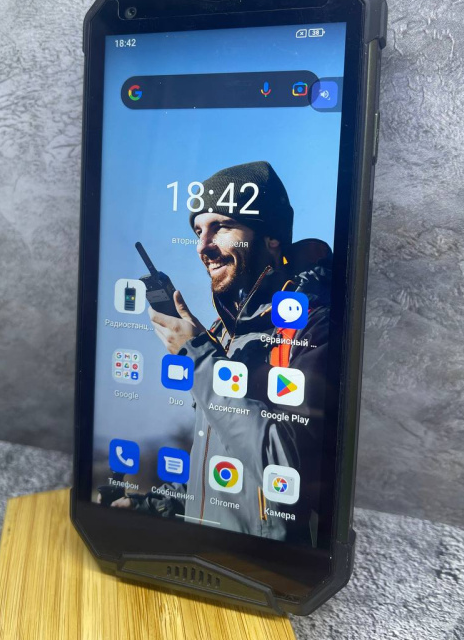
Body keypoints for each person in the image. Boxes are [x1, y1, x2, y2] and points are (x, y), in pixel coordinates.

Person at [110, 161, 334, 545]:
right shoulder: (221, 335)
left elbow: (284, 470)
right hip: (206, 553)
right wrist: (159, 507)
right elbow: (229, 474)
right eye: (199, 231)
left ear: (271, 237)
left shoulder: (314, 329)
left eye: (222, 226)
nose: (203, 246)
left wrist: (197, 356)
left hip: (263, 565)